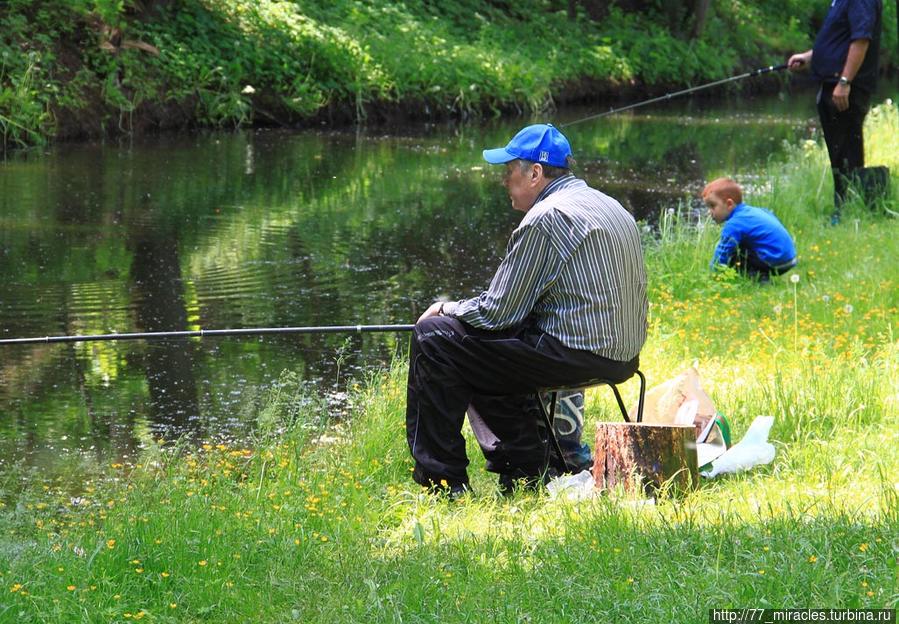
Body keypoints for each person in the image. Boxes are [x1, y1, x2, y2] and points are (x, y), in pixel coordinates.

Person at [405, 123, 648, 496]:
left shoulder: (546, 217)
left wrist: (444, 308)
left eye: (508, 171)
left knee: (436, 337)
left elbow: (496, 312)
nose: (504, 181)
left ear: (535, 173)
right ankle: (527, 466)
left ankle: (442, 481)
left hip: (577, 355)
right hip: (623, 358)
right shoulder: (609, 205)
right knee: (481, 348)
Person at [787, 0, 883, 219]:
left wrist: (845, 81)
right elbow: (838, 39)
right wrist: (810, 56)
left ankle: (849, 211)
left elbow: (860, 40)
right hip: (833, 84)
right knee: (838, 152)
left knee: (847, 152)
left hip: (846, 87)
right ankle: (845, 208)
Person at [703, 178, 798, 280]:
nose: (710, 212)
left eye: (713, 206)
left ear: (729, 204)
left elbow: (722, 253)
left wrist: (712, 275)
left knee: (733, 253)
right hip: (790, 258)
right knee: (740, 244)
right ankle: (759, 275)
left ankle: (759, 279)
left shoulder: (734, 223)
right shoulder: (755, 211)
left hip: (776, 262)